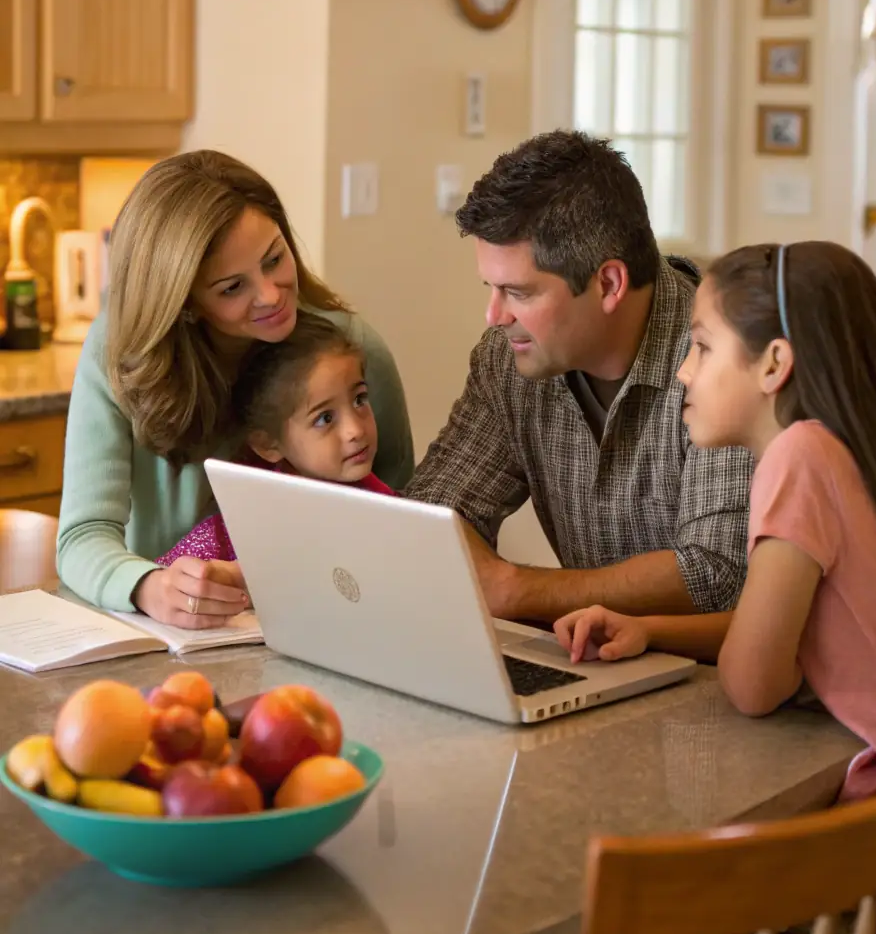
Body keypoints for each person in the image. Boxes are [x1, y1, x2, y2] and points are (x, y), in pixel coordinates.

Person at [554, 241, 876, 798]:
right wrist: (651, 629)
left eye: (701, 347)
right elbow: (792, 631)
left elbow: (753, 684)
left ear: (774, 364)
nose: (683, 373)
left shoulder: (800, 460)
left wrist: (773, 669)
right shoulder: (848, 451)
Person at [405, 130, 754, 631]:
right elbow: (433, 515)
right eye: (492, 288)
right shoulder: (510, 362)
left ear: (609, 283)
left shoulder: (724, 360)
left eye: (518, 292)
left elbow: (719, 574)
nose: (494, 315)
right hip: (597, 665)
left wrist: (515, 590)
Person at [57, 151, 413, 628]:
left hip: (323, 626)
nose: (269, 294)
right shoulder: (119, 352)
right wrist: (146, 585)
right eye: (231, 288)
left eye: (274, 259)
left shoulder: (349, 349)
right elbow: (83, 536)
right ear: (184, 303)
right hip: (163, 633)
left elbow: (405, 518)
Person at [157, 313, 396, 565]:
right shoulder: (239, 529)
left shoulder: (384, 506)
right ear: (268, 444)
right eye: (325, 418)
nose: (355, 430)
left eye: (359, 399)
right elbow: (167, 582)